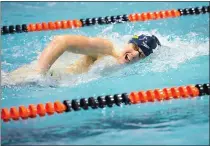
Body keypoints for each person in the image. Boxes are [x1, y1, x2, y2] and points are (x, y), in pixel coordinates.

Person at [7, 34, 161, 83]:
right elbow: (61, 41)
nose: (134, 55)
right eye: (135, 48)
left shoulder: (124, 67)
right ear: (129, 42)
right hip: (43, 76)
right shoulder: (107, 48)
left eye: (140, 54)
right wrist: (39, 73)